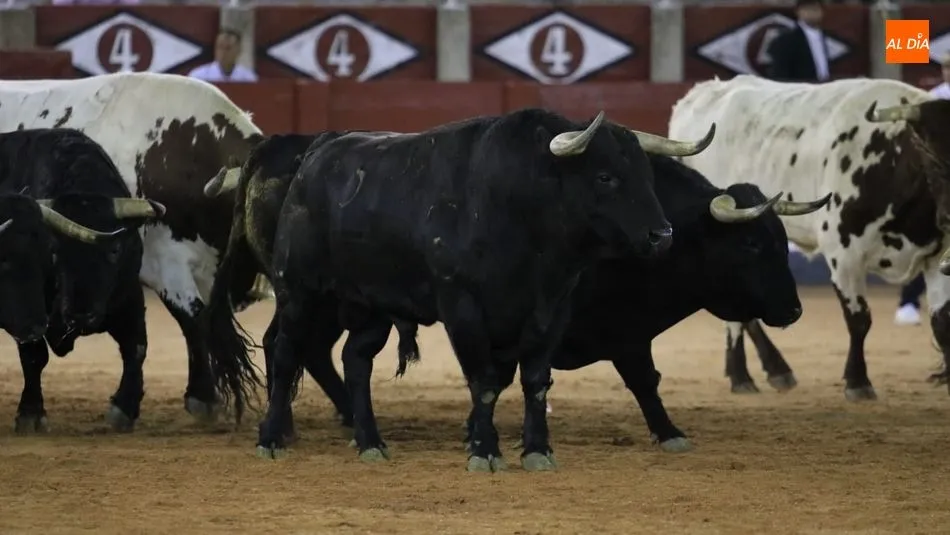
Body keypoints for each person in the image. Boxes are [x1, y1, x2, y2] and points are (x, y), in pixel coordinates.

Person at [894, 53, 950, 326]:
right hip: (938, 185)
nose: (949, 71)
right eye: (947, 67)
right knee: (929, 242)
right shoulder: (930, 99)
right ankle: (908, 301)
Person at [766, 0, 830, 83]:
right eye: (807, 9)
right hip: (800, 89)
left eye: (815, 9)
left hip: (825, 87)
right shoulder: (786, 39)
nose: (811, 13)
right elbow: (779, 72)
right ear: (798, 12)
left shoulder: (823, 36)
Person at [187, 29, 257, 83]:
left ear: (238, 50)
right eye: (220, 47)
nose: (223, 52)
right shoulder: (198, 76)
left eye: (228, 48)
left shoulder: (248, 78)